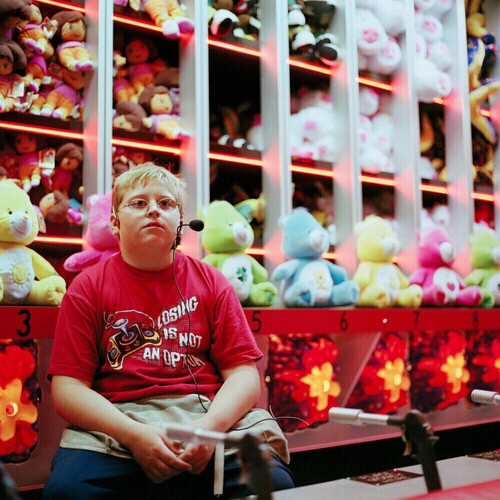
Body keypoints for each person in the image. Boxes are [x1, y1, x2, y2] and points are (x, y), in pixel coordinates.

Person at [43, 163, 293, 499]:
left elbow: (245, 377)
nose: (154, 212)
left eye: (165, 204)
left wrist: (208, 431)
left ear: (181, 223)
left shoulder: (213, 282)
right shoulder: (86, 287)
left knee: (272, 484)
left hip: (205, 415)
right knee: (66, 492)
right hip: (118, 422)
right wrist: (133, 435)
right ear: (114, 222)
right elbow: (68, 389)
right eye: (139, 203)